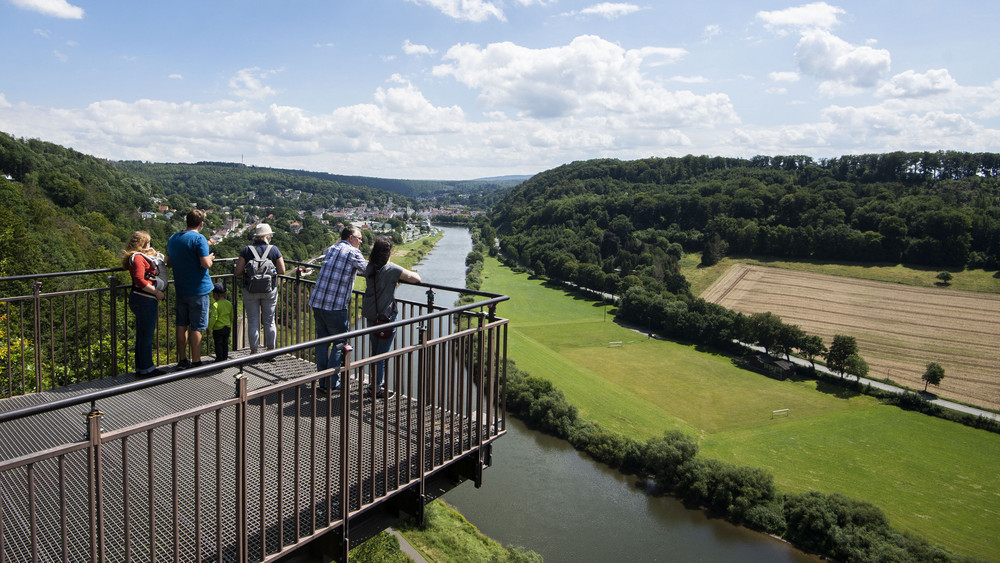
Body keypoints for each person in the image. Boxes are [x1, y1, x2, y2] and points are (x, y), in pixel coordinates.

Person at [308, 225, 367, 391]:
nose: (361, 242)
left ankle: (322, 382)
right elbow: (367, 270)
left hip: (317, 303)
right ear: (351, 238)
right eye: (359, 238)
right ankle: (332, 383)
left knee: (322, 342)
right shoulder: (353, 252)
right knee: (340, 343)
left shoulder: (332, 248)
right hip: (335, 306)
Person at [362, 235, 421, 399]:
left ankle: (373, 385)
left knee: (375, 352)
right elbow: (417, 279)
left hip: (371, 314)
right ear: (390, 252)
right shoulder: (392, 269)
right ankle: (377, 389)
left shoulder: (369, 267)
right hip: (386, 316)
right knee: (382, 354)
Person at [166, 209, 215, 369]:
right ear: (201, 224)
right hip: (198, 289)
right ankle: (196, 361)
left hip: (181, 288)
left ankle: (182, 360)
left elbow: (168, 262)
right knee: (197, 326)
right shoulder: (199, 239)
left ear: (187, 221)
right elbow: (205, 264)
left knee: (181, 324)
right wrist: (210, 258)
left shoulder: (173, 238)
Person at [234, 223, 285, 354]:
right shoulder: (274, 250)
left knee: (253, 321)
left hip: (250, 290)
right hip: (269, 290)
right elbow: (282, 270)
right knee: (269, 321)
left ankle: (254, 351)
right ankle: (270, 350)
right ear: (268, 236)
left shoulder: (246, 250)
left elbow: (238, 271)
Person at [122, 231, 166, 378]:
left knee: (142, 335)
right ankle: (147, 369)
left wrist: (152, 254)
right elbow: (140, 281)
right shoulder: (138, 258)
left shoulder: (136, 257)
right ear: (144, 243)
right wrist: (156, 292)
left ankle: (142, 368)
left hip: (140, 299)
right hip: (145, 299)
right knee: (146, 335)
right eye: (148, 242)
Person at [206, 282, 232, 362]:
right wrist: (230, 323)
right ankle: (225, 357)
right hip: (227, 327)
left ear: (215, 295)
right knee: (225, 343)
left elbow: (214, 318)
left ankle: (219, 359)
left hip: (218, 329)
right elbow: (232, 315)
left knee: (218, 344)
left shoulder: (215, 305)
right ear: (224, 294)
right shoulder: (229, 303)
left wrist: (209, 328)